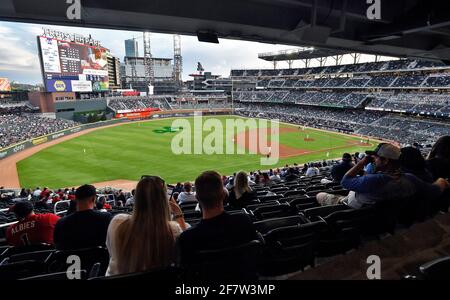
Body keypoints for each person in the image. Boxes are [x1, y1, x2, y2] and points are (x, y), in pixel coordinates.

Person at [316, 143, 449, 209]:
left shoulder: (374, 180)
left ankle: (338, 200)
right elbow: (435, 190)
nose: (373, 159)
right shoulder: (410, 178)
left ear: (386, 161)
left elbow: (345, 181)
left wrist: (361, 163)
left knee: (319, 195)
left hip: (352, 207)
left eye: (376, 157)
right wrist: (442, 181)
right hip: (383, 214)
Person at [105, 176, 187, 276]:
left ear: (137, 197)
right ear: (163, 200)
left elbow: (111, 252)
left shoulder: (118, 222)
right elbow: (184, 253)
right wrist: (178, 213)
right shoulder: (173, 229)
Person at [178, 171, 258, 265]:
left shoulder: (187, 238)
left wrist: (178, 216)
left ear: (197, 198)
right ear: (224, 195)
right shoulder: (244, 221)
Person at [53, 184, 112, 250]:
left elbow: (57, 246)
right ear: (93, 199)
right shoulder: (106, 218)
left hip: (69, 259)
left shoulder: (61, 222)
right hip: (99, 259)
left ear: (76, 199)